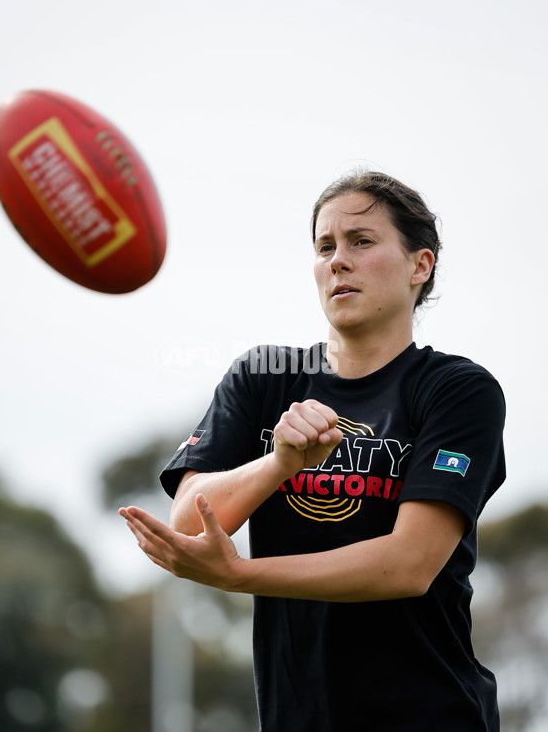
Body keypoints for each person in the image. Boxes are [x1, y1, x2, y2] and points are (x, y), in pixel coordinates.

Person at [119, 170, 506, 732]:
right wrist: (280, 463)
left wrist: (240, 576)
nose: (337, 261)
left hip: (433, 716)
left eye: (361, 241)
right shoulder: (263, 378)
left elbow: (408, 564)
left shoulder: (457, 391)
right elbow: (191, 521)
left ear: (420, 266)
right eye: (325, 246)